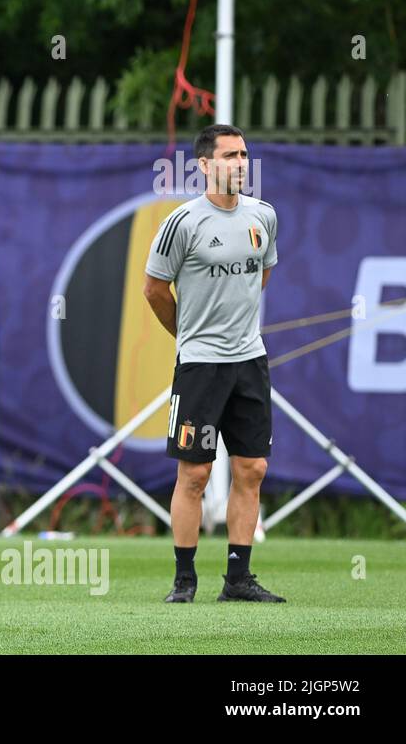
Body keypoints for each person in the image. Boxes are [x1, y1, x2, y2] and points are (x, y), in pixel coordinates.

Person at [144, 124, 285, 604]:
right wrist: (187, 334)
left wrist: (237, 325)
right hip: (201, 366)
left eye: (244, 154)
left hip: (250, 362)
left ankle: (238, 580)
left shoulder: (263, 216)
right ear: (205, 165)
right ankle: (184, 580)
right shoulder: (183, 222)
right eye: (229, 156)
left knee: (252, 468)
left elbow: (261, 273)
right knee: (195, 474)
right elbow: (155, 290)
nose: (240, 163)